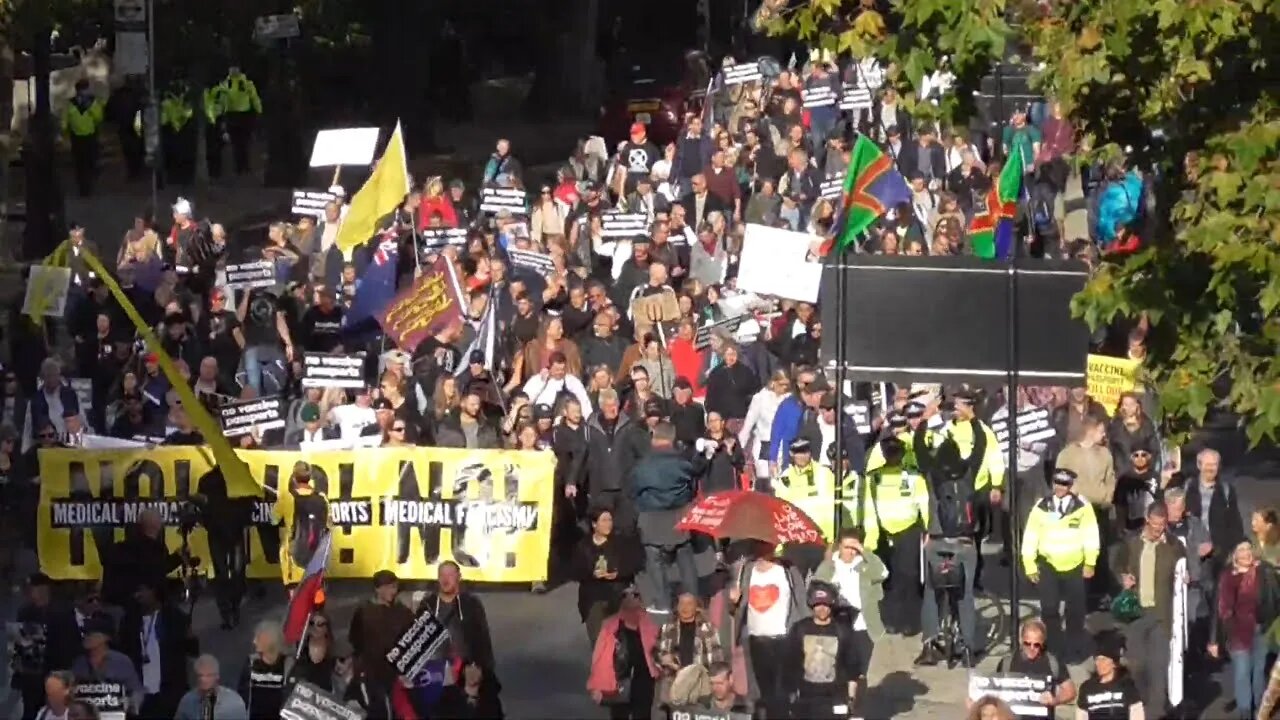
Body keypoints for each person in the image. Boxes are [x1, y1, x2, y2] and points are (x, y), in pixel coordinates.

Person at [1021, 468, 1100, 662]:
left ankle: (1073, 649)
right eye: (1057, 482)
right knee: (1049, 610)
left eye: (1064, 484)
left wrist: (1090, 562)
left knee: (1076, 612)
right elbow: (1030, 535)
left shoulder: (1082, 506)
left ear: (1071, 485)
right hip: (1048, 564)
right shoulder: (1042, 506)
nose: (1060, 487)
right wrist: (1029, 564)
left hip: (1075, 565)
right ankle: (1054, 651)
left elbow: (1091, 535)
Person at [1111, 501, 1180, 716]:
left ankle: (1155, 714)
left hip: (1161, 616)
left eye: (1163, 524)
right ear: (1147, 520)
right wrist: (1122, 578)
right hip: (1136, 615)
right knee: (1138, 668)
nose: (1159, 529)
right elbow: (1116, 564)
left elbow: (1187, 565)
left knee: (1158, 669)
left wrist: (1186, 575)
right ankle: (1140, 709)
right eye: (1155, 524)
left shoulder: (1173, 545)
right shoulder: (1131, 543)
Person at [630, 421, 705, 614]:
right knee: (685, 557)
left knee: (655, 561)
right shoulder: (682, 463)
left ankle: (663, 602)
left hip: (651, 517)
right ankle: (693, 597)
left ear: (654, 436)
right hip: (679, 515)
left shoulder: (642, 465)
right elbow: (692, 484)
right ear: (673, 438)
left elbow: (633, 490)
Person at [729, 541, 809, 716]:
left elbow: (801, 601)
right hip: (756, 639)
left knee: (782, 692)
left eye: (770, 544)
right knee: (763, 692)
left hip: (783, 639)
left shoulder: (787, 569)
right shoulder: (746, 569)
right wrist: (733, 602)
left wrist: (806, 633)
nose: (766, 547)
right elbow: (738, 607)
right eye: (762, 544)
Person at [1209, 541, 1280, 720]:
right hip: (1236, 631)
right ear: (1234, 555)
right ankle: (1245, 712)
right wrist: (1213, 639)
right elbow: (1218, 610)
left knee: (1258, 671)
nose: (1246, 553)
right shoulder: (1226, 576)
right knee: (1242, 672)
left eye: (1249, 549)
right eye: (1241, 550)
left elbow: (1275, 597)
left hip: (1260, 627)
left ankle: (1258, 710)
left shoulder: (1263, 572)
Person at [116, 578, 197, 718]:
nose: (137, 596)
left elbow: (192, 651)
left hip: (169, 696)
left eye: (141, 591)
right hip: (139, 696)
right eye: (135, 592)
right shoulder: (129, 622)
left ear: (153, 591)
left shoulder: (174, 619)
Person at [813, 529, 887, 681]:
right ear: (839, 546)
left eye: (855, 548)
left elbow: (882, 573)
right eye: (847, 547)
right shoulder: (829, 567)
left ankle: (857, 701)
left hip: (863, 627)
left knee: (861, 673)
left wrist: (864, 551)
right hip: (837, 626)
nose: (851, 552)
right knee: (838, 670)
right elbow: (816, 590)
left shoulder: (865, 566)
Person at [784, 581, 863, 718]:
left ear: (832, 605)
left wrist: (851, 699)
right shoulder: (800, 629)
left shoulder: (842, 631)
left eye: (825, 605)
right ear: (811, 605)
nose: (822, 608)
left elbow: (852, 668)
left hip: (836, 696)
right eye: (817, 604)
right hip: (806, 696)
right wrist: (791, 694)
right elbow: (790, 664)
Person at [416, 561, 497, 686]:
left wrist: (483, 667)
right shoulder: (428, 604)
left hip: (465, 672)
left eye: (450, 575)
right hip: (435, 673)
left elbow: (482, 637)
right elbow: (417, 639)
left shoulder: (471, 604)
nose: (445, 579)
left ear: (459, 577)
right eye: (442, 575)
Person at [587, 586, 659, 720]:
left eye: (635, 595)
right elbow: (600, 659)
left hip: (643, 680)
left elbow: (660, 654)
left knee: (643, 715)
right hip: (618, 680)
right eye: (626, 596)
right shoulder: (609, 627)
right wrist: (597, 687)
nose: (631, 599)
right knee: (619, 715)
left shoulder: (651, 626)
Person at [575, 507, 643, 647]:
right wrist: (592, 574)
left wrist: (618, 573)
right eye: (604, 520)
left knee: (619, 640)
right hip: (593, 596)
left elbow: (635, 563)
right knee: (598, 641)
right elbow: (576, 570)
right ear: (594, 524)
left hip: (617, 593)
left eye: (610, 520)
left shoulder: (621, 543)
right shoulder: (583, 546)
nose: (608, 524)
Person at [983, 618, 1076, 720]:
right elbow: (995, 693)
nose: (1031, 648)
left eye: (1036, 645)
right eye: (1027, 643)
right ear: (1021, 640)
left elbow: (1070, 691)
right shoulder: (1007, 663)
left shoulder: (1052, 662)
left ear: (1043, 643)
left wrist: (1055, 700)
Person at [348, 570, 414, 706]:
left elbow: (413, 638)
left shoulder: (403, 612)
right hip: (370, 672)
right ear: (378, 589)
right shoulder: (364, 611)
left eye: (395, 587)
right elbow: (355, 640)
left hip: (396, 674)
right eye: (390, 587)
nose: (394, 591)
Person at [70, 614, 143, 720]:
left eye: (90, 634)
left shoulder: (121, 662)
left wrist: (131, 703)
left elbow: (137, 690)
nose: (85, 637)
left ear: (106, 637)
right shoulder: (79, 663)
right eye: (84, 633)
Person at [1075, 631, 1144, 719]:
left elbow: (1137, 715)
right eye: (1097, 659)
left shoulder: (1127, 686)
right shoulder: (1087, 688)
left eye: (1104, 659)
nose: (1099, 663)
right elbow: (1081, 716)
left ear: (1114, 663)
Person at [236, 621, 291, 719]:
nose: (254, 641)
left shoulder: (287, 665)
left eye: (258, 638)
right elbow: (242, 696)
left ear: (270, 641)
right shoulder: (251, 663)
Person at [174, 654, 249, 720]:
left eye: (209, 675)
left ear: (217, 677)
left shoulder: (234, 702)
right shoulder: (187, 701)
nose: (204, 680)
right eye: (200, 675)